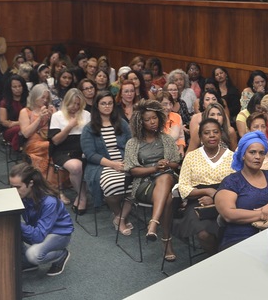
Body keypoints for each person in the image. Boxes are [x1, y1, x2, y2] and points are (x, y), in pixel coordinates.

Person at [214, 130, 268, 250]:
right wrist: (266, 214)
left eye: (261, 153)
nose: (257, 157)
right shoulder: (232, 181)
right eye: (252, 152)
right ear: (243, 155)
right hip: (241, 238)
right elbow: (229, 214)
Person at [123, 99, 181, 262]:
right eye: (147, 119)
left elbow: (176, 163)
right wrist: (155, 168)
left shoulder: (166, 139)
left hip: (168, 179)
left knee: (166, 177)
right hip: (144, 184)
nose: (152, 122)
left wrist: (166, 164)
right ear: (140, 122)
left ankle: (153, 224)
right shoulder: (133, 143)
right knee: (167, 198)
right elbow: (132, 170)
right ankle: (166, 239)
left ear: (160, 118)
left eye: (154, 118)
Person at [176, 118, 235, 253]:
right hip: (199, 202)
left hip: (227, 199)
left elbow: (237, 185)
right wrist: (207, 191)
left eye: (215, 132)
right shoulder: (191, 157)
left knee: (231, 227)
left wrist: (216, 197)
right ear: (201, 137)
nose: (212, 135)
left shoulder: (232, 156)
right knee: (204, 234)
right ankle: (217, 257)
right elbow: (183, 187)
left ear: (221, 134)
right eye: (207, 133)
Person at [81, 91, 133, 235]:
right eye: (103, 103)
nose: (107, 106)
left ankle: (120, 218)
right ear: (97, 106)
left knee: (137, 184)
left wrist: (127, 160)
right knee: (112, 186)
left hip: (124, 163)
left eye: (110, 103)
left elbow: (131, 144)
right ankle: (119, 214)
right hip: (101, 166)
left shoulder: (122, 123)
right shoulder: (89, 128)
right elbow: (90, 154)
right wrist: (112, 164)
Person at [9, 163, 73, 276]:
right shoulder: (23, 195)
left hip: (59, 234)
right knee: (9, 228)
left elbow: (38, 237)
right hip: (39, 229)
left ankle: (61, 255)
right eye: (12, 186)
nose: (14, 191)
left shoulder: (49, 202)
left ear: (30, 183)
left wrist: (16, 223)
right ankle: (28, 263)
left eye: (18, 187)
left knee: (33, 255)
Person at [49, 88, 90, 213]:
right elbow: (56, 141)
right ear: (66, 102)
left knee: (86, 164)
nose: (75, 107)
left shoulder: (86, 115)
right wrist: (69, 126)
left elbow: (91, 136)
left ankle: (80, 196)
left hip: (83, 150)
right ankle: (82, 196)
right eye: (73, 104)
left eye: (78, 104)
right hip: (62, 151)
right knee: (76, 167)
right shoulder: (57, 116)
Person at [19, 83, 57, 179]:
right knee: (49, 147)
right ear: (35, 96)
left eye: (47, 98)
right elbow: (26, 134)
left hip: (50, 139)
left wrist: (52, 117)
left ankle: (51, 181)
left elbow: (58, 128)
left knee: (55, 147)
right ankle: (44, 180)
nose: (45, 100)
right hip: (33, 143)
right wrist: (39, 118)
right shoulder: (25, 111)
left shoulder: (51, 109)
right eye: (42, 97)